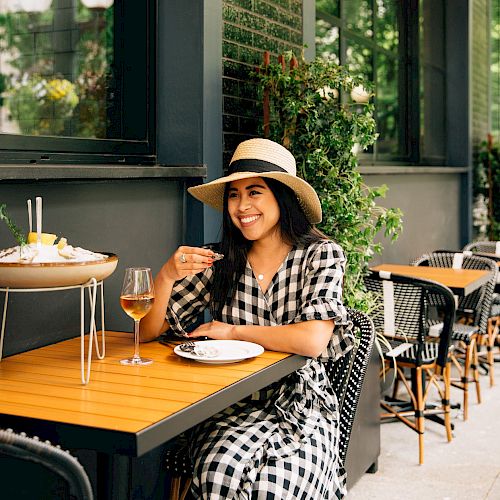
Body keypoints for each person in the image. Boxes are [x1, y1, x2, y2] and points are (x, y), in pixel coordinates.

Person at [140, 138, 354, 499]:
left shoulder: (321, 255)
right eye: (234, 195)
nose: (242, 206)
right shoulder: (218, 260)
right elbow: (147, 332)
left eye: (254, 192)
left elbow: (312, 339)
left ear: (282, 197)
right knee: (221, 473)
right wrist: (164, 277)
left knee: (275, 486)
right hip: (228, 404)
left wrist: (231, 331)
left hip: (301, 404)